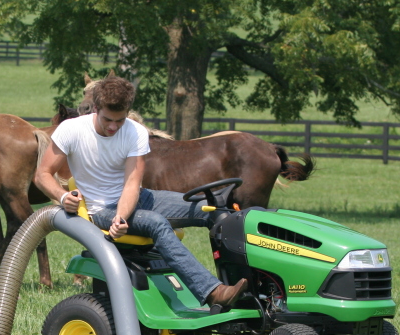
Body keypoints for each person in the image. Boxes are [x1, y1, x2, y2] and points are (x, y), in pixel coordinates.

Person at [35, 76, 247, 308]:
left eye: (120, 120)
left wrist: (122, 215)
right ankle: (213, 292)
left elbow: (132, 183)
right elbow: (42, 174)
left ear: (128, 112)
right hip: (102, 210)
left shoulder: (135, 132)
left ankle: (245, 287)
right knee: (155, 223)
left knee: (215, 211)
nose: (113, 127)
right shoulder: (71, 130)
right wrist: (63, 196)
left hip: (137, 199)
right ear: (95, 108)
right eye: (107, 119)